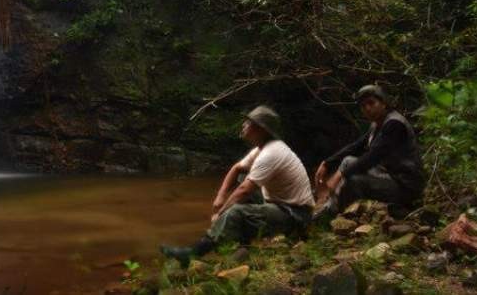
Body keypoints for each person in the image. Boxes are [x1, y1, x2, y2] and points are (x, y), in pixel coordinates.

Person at [161, 106, 314, 266]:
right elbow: (237, 169)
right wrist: (220, 198)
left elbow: (243, 191)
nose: (243, 125)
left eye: (248, 122)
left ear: (260, 129)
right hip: (279, 204)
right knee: (242, 178)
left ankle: (195, 252)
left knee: (236, 211)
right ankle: (239, 241)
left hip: (295, 215)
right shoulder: (262, 149)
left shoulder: (271, 153)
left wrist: (220, 214)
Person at [313, 85, 425, 219]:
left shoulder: (394, 124)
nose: (367, 108)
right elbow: (356, 146)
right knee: (348, 161)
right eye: (363, 106)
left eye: (371, 103)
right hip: (391, 176)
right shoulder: (377, 124)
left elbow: (372, 158)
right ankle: (330, 207)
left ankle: (331, 214)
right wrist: (327, 163)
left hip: (406, 185)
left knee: (354, 180)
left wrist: (339, 175)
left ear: (383, 103)